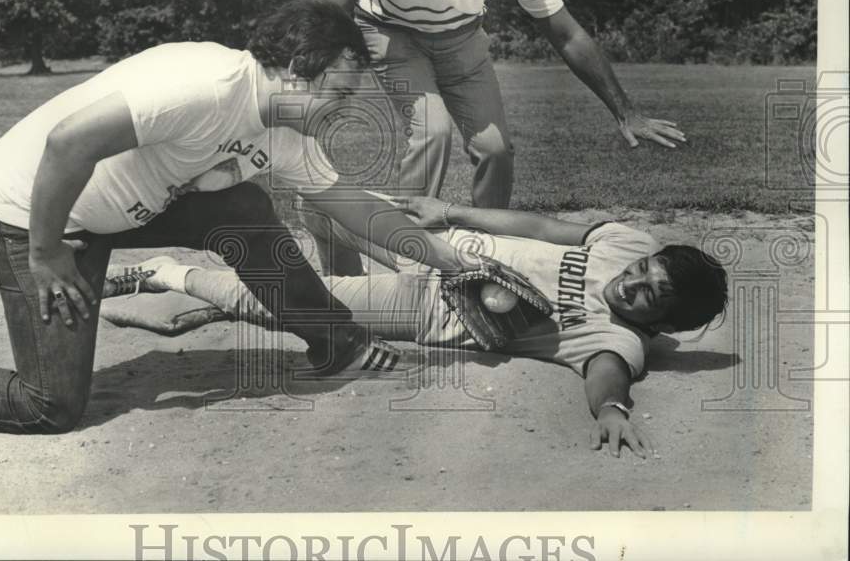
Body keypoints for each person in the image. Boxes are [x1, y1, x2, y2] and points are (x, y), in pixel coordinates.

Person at [0, 0, 476, 434]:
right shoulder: (204, 84)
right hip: (29, 212)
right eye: (343, 93)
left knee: (245, 208)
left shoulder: (289, 132)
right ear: (300, 65)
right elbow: (67, 143)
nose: (347, 109)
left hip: (118, 210)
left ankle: (336, 342)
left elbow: (356, 208)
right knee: (50, 405)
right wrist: (44, 251)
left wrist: (446, 257)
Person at [100, 196, 728, 457]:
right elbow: (539, 228)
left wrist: (612, 410)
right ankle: (321, 291)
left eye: (651, 296)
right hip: (444, 245)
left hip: (430, 307)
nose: (635, 283)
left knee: (282, 299)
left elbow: (608, 376)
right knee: (324, 203)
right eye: (647, 270)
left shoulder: (616, 338)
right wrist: (448, 211)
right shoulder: (628, 244)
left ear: (664, 321)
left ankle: (163, 272)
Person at [316, 0, 686, 217]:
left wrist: (626, 112)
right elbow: (326, 10)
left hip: (462, 35)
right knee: (432, 132)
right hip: (390, 31)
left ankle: (488, 243)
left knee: (495, 149)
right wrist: (301, 87)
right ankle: (411, 247)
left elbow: (566, 33)